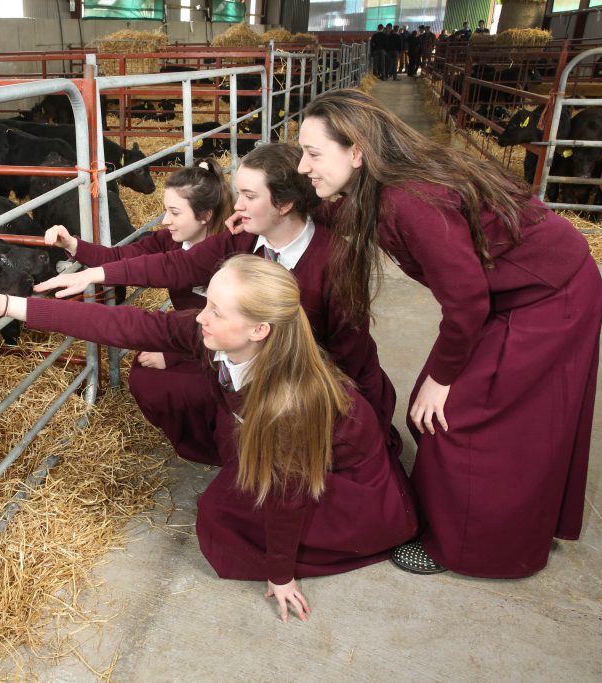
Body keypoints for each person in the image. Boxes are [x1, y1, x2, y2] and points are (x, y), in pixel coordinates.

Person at [0, 255, 419, 621]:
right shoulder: (225, 338)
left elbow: (287, 498)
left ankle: (360, 533)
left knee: (219, 518)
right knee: (183, 408)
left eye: (216, 310)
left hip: (346, 486)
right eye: (207, 301)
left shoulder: (291, 405)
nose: (201, 316)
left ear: (258, 329)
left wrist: (280, 573)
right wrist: (8, 306)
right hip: (279, 451)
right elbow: (127, 325)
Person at [297, 89, 602, 578]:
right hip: (514, 293)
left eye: (313, 153)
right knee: (458, 413)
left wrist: (442, 380)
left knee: (453, 418)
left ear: (357, 151)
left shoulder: (408, 200)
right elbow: (350, 215)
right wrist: (284, 210)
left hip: (549, 297)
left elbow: (466, 302)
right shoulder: (381, 184)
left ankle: (464, 546)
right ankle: (508, 518)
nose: (303, 166)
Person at [37, 143, 401, 458]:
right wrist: (93, 273)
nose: (237, 206)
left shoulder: (335, 262)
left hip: (305, 388)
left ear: (285, 204)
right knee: (157, 381)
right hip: (247, 369)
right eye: (238, 193)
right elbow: (175, 266)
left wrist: (351, 421)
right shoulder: (243, 239)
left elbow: (349, 353)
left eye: (249, 196)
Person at [44, 158, 233, 465]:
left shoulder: (226, 254)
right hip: (189, 335)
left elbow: (234, 328)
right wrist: (74, 245)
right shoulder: (170, 241)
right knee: (144, 373)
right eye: (165, 210)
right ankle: (199, 439)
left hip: (224, 351)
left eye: (175, 212)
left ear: (205, 215)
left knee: (166, 384)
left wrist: (172, 356)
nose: (165, 220)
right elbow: (120, 257)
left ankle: (217, 447)